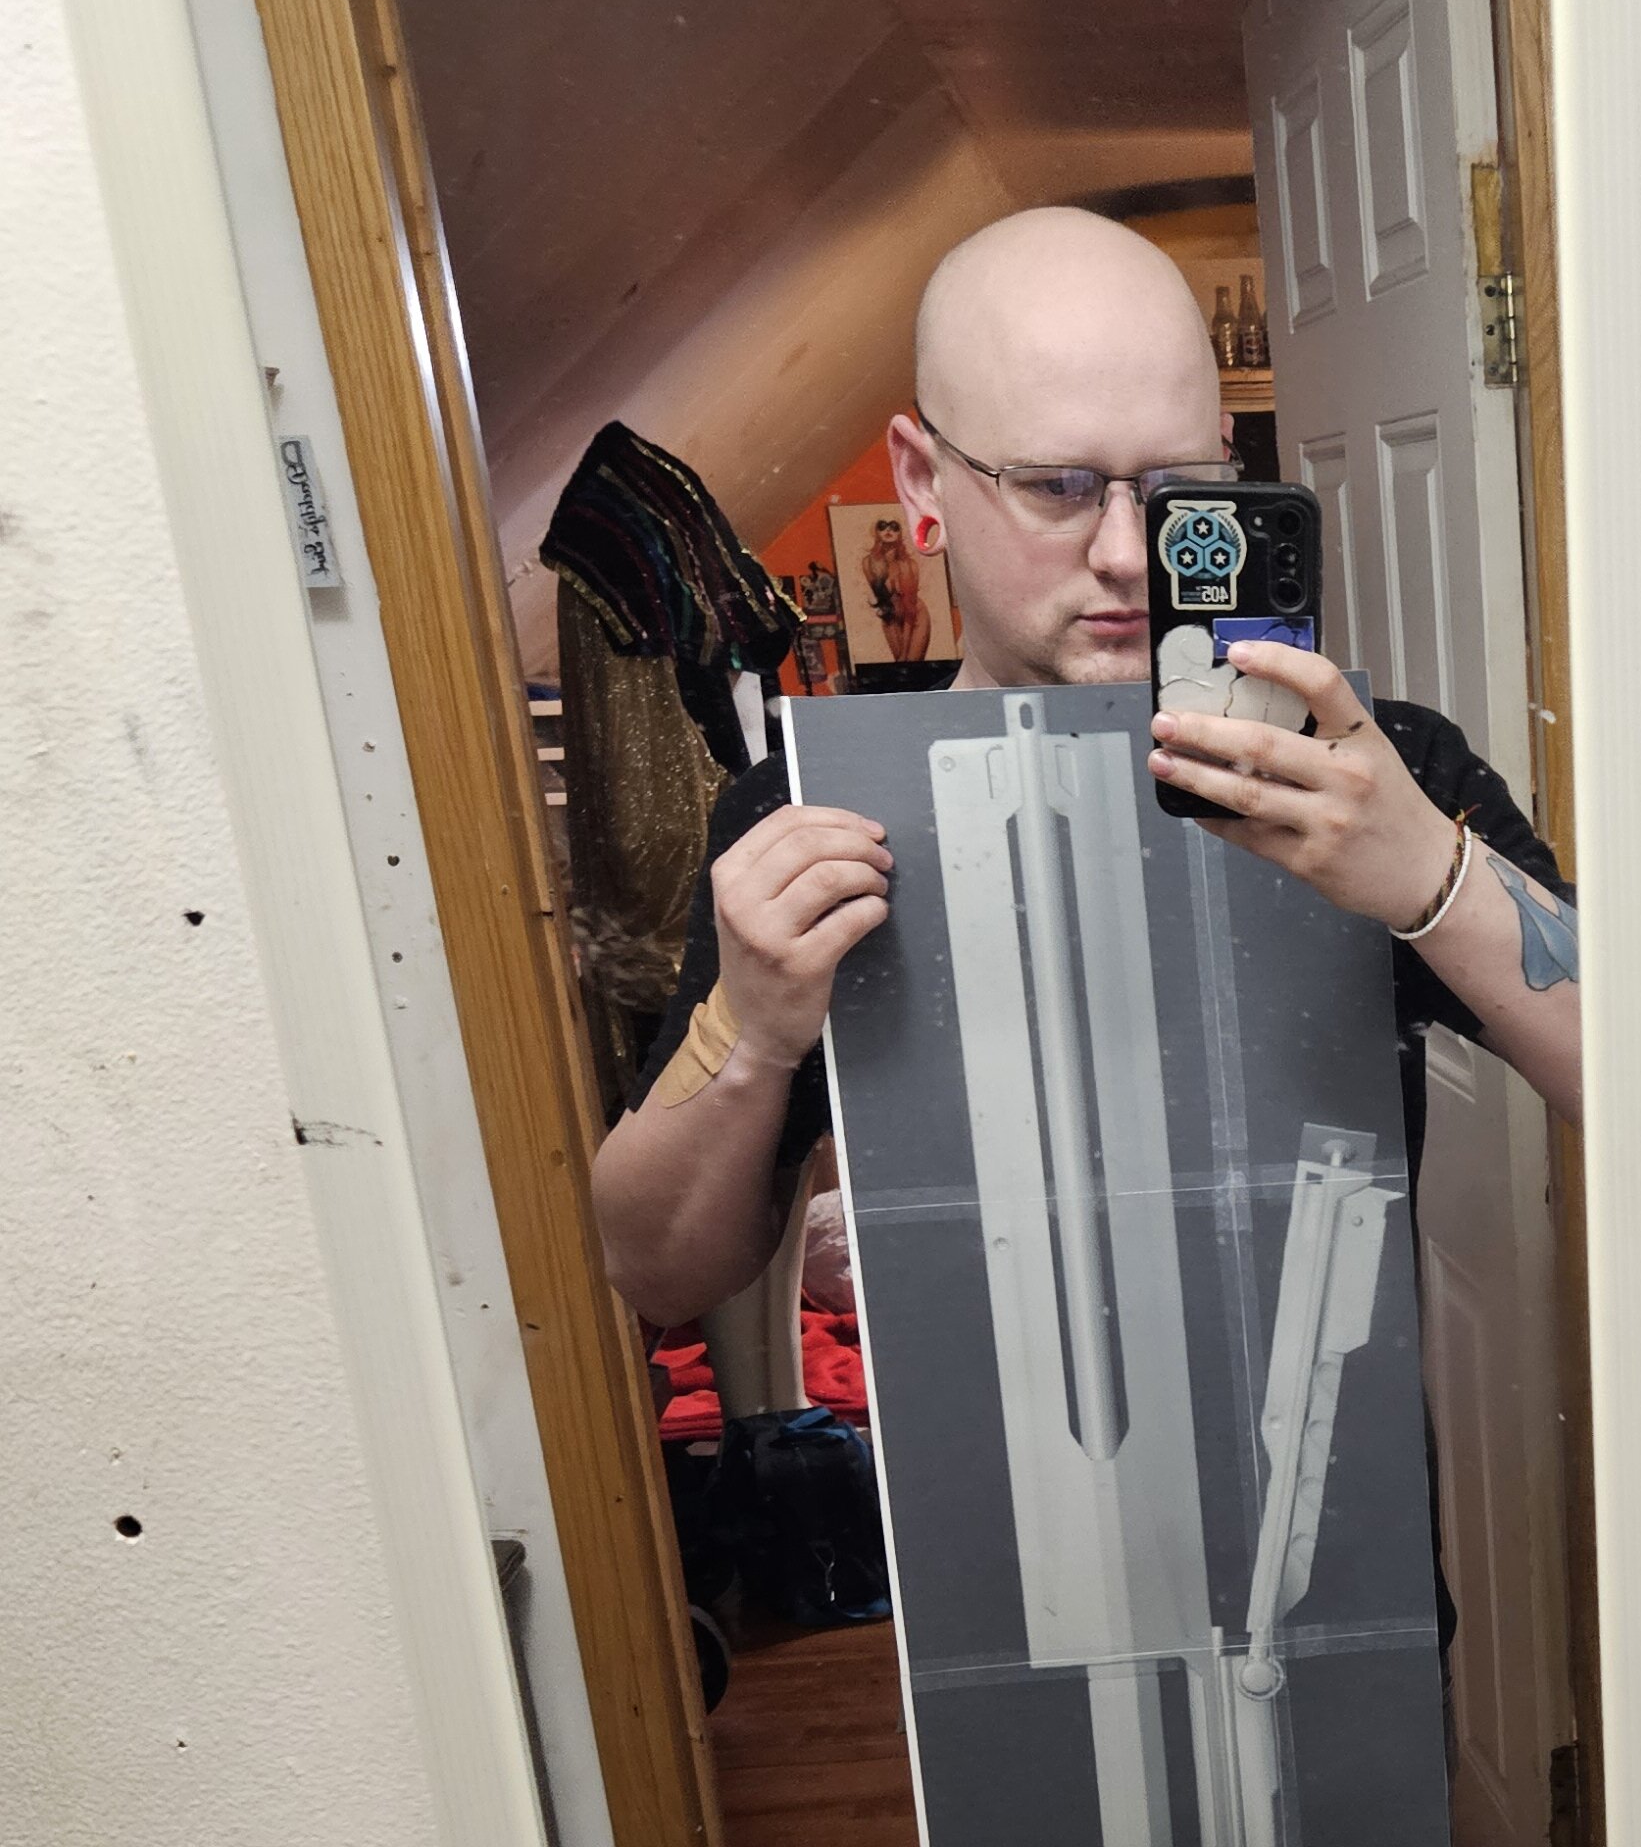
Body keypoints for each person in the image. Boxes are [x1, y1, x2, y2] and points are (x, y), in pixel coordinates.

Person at [592, 207, 1580, 1326]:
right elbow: (656, 1273)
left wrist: (1434, 881)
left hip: (1318, 1434)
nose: (1124, 553)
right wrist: (751, 1035)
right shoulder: (811, 805)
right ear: (922, 484)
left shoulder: (1371, 774)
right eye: (1056, 485)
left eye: (1174, 485)